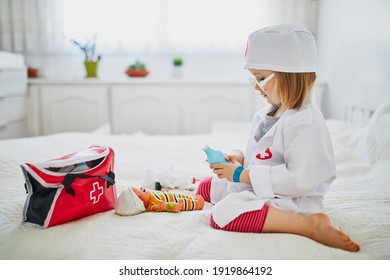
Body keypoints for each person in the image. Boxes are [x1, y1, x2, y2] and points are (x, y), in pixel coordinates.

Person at [196, 24, 359, 252]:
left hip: (292, 199)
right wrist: (240, 159)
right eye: (253, 79)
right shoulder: (271, 111)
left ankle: (309, 225)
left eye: (260, 79)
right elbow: (263, 155)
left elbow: (300, 179)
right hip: (262, 185)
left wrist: (242, 175)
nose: (256, 87)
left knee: (223, 215)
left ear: (289, 77)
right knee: (206, 187)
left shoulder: (305, 123)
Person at [115, 186, 205, 216]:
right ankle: (197, 205)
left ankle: (193, 200)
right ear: (141, 202)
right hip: (176, 201)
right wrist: (173, 206)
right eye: (141, 191)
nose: (142, 188)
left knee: (184, 197)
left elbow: (157, 195)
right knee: (185, 202)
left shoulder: (149, 196)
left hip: (172, 196)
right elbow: (163, 205)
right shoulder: (153, 204)